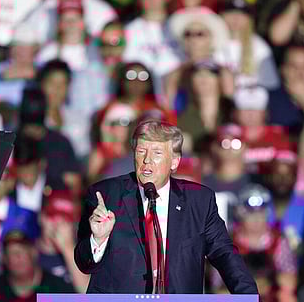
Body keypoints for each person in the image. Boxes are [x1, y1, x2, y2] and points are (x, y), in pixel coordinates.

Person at [74, 120, 258, 293]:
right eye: (141, 151)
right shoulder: (106, 196)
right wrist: (98, 239)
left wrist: (248, 296)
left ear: (175, 162)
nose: (147, 160)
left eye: (157, 153)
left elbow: (224, 254)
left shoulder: (199, 201)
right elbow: (84, 263)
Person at [0, 212, 75, 302]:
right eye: (12, 252)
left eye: (22, 251)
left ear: (34, 252)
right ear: (4, 259)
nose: (18, 257)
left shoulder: (57, 289)